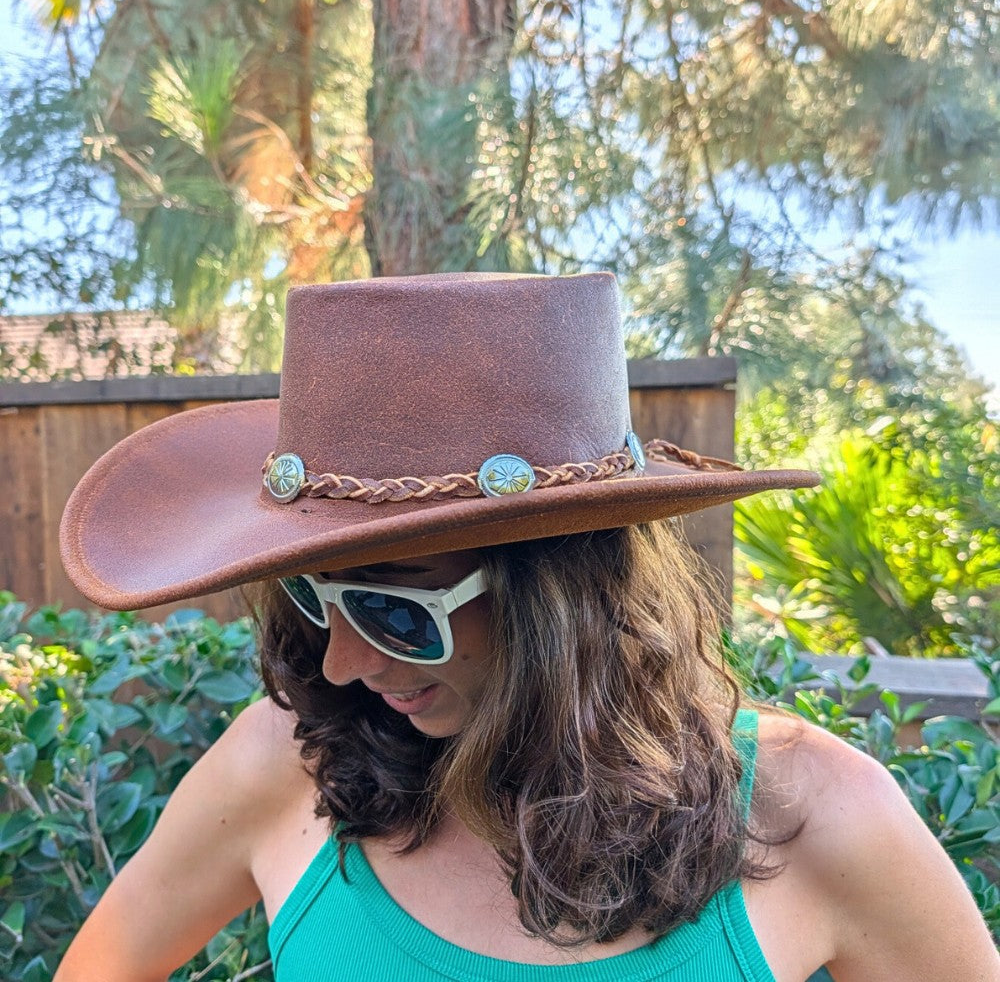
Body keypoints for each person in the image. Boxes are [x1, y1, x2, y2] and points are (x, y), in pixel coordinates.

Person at [55, 273, 999, 982]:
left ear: (564, 606)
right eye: (313, 598)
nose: (341, 665)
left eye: (393, 611)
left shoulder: (817, 818)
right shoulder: (286, 764)